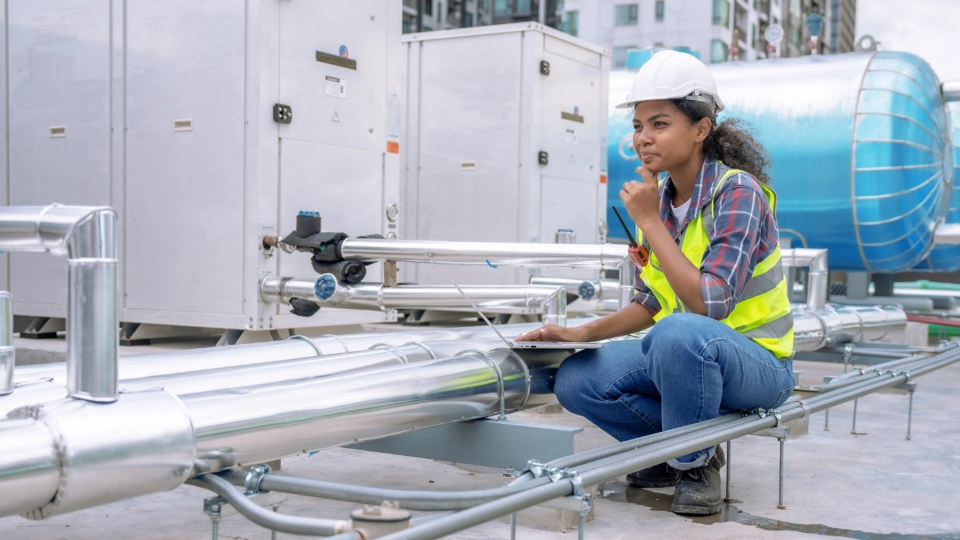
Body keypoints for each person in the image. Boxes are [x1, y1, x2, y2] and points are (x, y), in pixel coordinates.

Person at [516, 50, 795, 515]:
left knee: (678, 333)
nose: (644, 138)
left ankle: (695, 463)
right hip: (688, 351)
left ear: (701, 128)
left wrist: (651, 224)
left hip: (758, 364)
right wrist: (579, 335)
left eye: (659, 124)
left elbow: (711, 303)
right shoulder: (662, 200)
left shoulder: (737, 192)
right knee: (577, 378)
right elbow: (650, 302)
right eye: (638, 126)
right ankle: (668, 452)